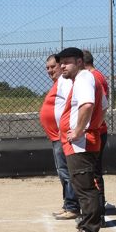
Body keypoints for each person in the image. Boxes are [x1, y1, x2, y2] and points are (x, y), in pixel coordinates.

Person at [57, 47, 105, 232]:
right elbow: (102, 107)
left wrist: (78, 131)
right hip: (81, 141)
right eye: (61, 62)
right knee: (82, 186)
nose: (62, 66)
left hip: (81, 143)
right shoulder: (85, 79)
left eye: (67, 62)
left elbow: (88, 105)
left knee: (85, 189)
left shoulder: (84, 78)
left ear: (79, 62)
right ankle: (86, 229)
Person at [40, 54, 78, 220]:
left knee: (66, 172)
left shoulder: (64, 81)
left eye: (52, 67)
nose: (50, 70)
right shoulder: (58, 83)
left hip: (62, 136)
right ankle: (67, 204)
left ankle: (72, 206)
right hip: (56, 137)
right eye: (47, 68)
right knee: (63, 172)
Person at [82, 49, 111, 211]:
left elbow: (100, 105)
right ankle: (95, 208)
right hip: (95, 129)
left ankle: (98, 209)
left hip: (96, 131)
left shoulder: (94, 77)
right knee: (92, 172)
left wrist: (93, 126)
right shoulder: (95, 76)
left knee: (94, 173)